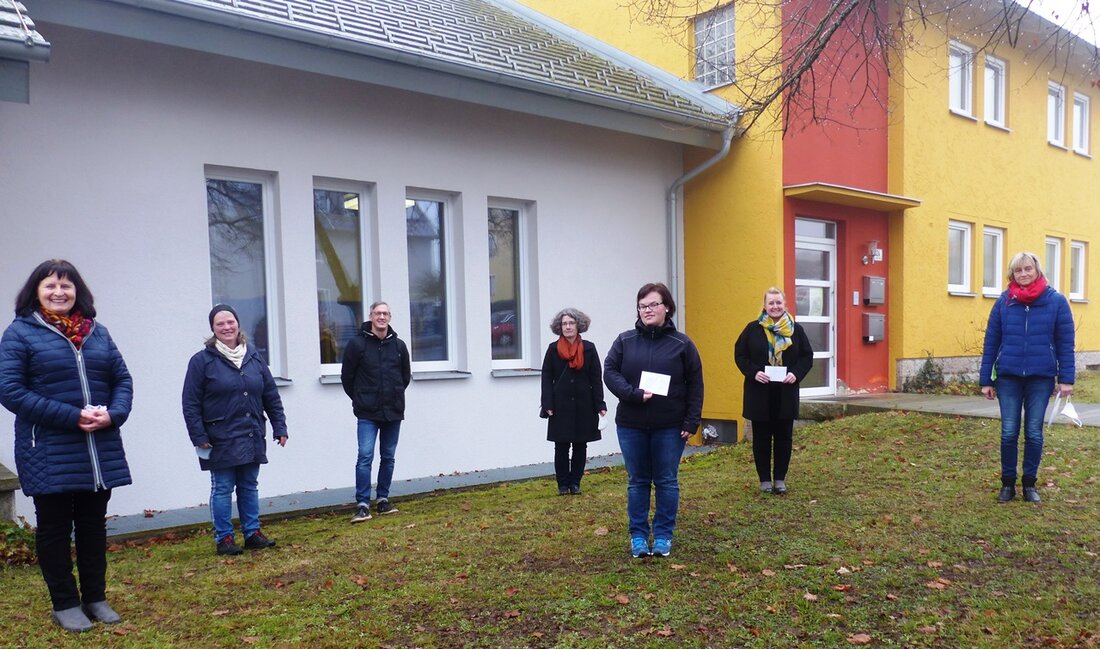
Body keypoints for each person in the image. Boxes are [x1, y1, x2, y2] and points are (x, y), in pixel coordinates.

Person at [0, 260, 133, 632]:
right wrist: (71, 415)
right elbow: (10, 391)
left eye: (66, 286)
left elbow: (122, 379)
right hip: (48, 449)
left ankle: (95, 597)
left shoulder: (98, 333)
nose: (59, 292)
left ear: (78, 292)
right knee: (55, 528)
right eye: (50, 286)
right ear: (36, 292)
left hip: (98, 448)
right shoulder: (20, 333)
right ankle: (65, 603)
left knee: (93, 526)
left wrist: (115, 414)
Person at [604, 282, 703, 559]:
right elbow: (609, 371)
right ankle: (638, 536)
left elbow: (696, 384)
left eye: (652, 305)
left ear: (667, 307)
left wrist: (691, 422)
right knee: (637, 481)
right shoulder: (625, 341)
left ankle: (662, 537)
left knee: (666, 481)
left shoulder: (682, 344)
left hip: (670, 426)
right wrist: (632, 394)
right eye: (642, 306)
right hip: (631, 425)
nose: (647, 310)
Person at [182, 304, 288, 555]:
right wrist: (198, 437)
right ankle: (225, 539)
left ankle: (252, 533)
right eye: (220, 324)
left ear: (238, 324)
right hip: (219, 438)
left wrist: (279, 426)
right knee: (222, 488)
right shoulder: (201, 361)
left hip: (251, 432)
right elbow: (190, 403)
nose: (227, 327)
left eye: (230, 322)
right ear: (213, 329)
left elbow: (270, 394)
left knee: (249, 485)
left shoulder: (253, 355)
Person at [979, 252, 1074, 503]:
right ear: (1012, 275)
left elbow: (1065, 343)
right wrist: (986, 380)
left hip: (1040, 378)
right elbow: (991, 342)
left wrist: (1066, 379)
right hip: (1008, 377)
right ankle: (1008, 484)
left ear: (1037, 270)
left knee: (1033, 432)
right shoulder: (1004, 302)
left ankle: (1029, 484)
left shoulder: (1056, 301)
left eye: (1027, 269)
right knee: (1009, 432)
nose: (1023, 274)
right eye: (1018, 270)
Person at [734, 287, 814, 495]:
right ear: (764, 305)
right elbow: (740, 355)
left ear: (785, 305)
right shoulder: (752, 329)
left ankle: (779, 479)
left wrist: (796, 373)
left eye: (778, 303)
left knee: (783, 437)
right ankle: (764, 480)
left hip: (785, 392)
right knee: (761, 438)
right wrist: (753, 372)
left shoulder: (796, 330)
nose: (775, 306)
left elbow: (807, 357)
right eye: (771, 303)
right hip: (759, 392)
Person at [341, 301, 411, 523]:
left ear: (390, 317)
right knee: (365, 456)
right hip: (367, 412)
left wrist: (394, 394)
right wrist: (361, 398)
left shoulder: (399, 346)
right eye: (378, 313)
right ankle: (363, 504)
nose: (381, 317)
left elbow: (404, 377)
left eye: (385, 313)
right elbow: (347, 378)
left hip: (393, 410)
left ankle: (382, 499)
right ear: (371, 316)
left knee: (388, 457)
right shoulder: (356, 344)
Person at [540, 308, 607, 496]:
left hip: (584, 405)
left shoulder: (589, 348)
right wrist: (548, 404)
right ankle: (562, 485)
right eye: (564, 324)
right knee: (561, 445)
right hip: (560, 405)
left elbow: (596, 378)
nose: (568, 327)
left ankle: (575, 483)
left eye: (571, 323)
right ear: (559, 327)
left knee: (580, 445)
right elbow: (546, 377)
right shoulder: (553, 349)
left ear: (578, 326)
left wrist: (600, 405)